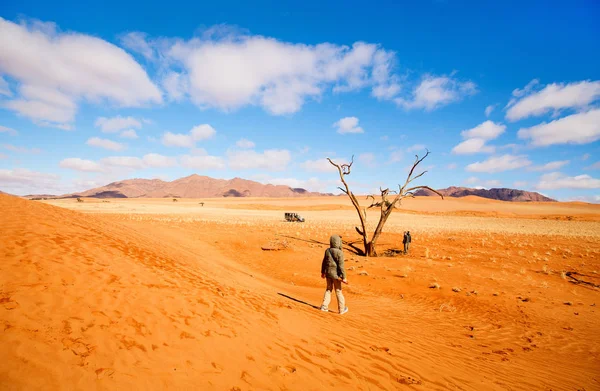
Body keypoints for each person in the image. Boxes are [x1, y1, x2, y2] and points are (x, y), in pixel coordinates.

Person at [320, 234, 348, 314]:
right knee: (338, 291)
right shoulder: (340, 253)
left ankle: (324, 306)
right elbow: (341, 266)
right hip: (336, 275)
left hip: (328, 274)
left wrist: (323, 272)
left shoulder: (327, 251)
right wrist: (344, 277)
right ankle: (342, 309)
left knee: (328, 290)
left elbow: (324, 262)